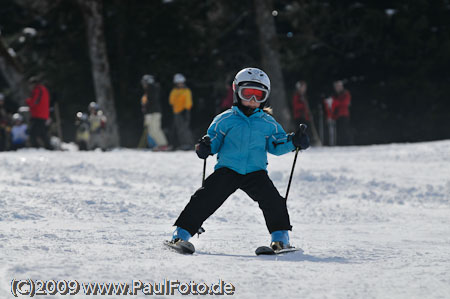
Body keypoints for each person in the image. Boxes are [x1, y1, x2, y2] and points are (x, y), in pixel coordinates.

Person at [168, 67, 310, 252]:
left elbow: (277, 144)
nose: (252, 100)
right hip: (228, 169)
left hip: (255, 171)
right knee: (204, 198)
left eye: (258, 95)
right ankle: (181, 234)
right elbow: (214, 140)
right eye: (247, 94)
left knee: (273, 201)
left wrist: (294, 141)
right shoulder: (224, 119)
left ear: (265, 97)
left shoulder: (268, 123)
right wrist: (205, 147)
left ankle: (280, 238)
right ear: (236, 91)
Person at [140, 74, 169, 151]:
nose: (143, 85)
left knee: (155, 129)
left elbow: (151, 103)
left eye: (144, 83)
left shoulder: (152, 89)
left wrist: (147, 113)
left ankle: (163, 144)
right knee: (152, 131)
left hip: (153, 113)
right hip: (152, 112)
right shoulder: (150, 90)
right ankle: (160, 144)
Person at [25, 76, 52, 149]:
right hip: (42, 115)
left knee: (32, 133)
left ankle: (35, 148)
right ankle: (49, 148)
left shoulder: (38, 90)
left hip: (39, 115)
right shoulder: (43, 89)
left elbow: (34, 102)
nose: (30, 86)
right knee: (43, 134)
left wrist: (28, 101)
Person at [169, 73, 194, 150]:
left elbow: (188, 101)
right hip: (177, 112)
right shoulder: (174, 91)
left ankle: (189, 143)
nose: (180, 84)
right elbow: (171, 101)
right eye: (178, 83)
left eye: (181, 83)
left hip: (184, 111)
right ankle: (183, 143)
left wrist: (186, 110)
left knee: (185, 128)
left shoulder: (186, 91)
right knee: (179, 129)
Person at [331, 80, 352, 145]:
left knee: (345, 130)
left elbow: (346, 103)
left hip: (344, 115)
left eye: (338, 86)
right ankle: (340, 144)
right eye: (336, 86)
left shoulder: (345, 93)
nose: (337, 88)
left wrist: (336, 102)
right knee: (339, 131)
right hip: (337, 116)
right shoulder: (335, 95)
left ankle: (347, 144)